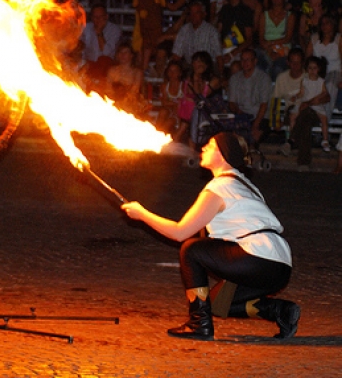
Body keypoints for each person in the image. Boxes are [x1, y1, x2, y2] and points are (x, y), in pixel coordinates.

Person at [122, 131, 300, 341]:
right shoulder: (245, 185)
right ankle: (280, 311)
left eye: (211, 145)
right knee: (216, 303)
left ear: (224, 154)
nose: (203, 148)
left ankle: (199, 324)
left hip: (256, 257)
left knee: (191, 249)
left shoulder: (220, 187)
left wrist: (142, 214)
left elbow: (179, 232)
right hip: (279, 265)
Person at [228, 48, 273, 144]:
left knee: (256, 133)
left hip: (260, 117)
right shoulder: (235, 79)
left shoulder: (263, 78)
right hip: (242, 116)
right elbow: (232, 102)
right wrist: (237, 111)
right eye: (243, 60)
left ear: (255, 61)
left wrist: (255, 125)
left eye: (248, 60)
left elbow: (264, 105)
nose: (245, 63)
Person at [290, 56, 331, 161]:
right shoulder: (305, 80)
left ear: (319, 69)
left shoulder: (321, 81)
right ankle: (291, 137)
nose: (312, 71)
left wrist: (318, 98)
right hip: (305, 103)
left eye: (315, 68)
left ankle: (325, 140)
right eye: (310, 68)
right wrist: (296, 96)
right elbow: (301, 93)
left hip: (316, 105)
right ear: (307, 69)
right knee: (293, 116)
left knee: (324, 119)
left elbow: (325, 93)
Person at [171, 0, 223, 73]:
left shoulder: (212, 31)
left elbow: (219, 56)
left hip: (207, 68)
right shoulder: (184, 30)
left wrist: (220, 75)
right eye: (191, 13)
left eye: (197, 13)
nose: (193, 16)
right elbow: (176, 55)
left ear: (203, 14)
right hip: (189, 66)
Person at [259, 0, 295, 80]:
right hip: (267, 49)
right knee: (260, 68)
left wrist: (272, 43)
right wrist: (270, 51)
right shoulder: (264, 15)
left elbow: (287, 38)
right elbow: (261, 39)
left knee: (277, 69)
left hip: (283, 50)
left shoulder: (290, 16)